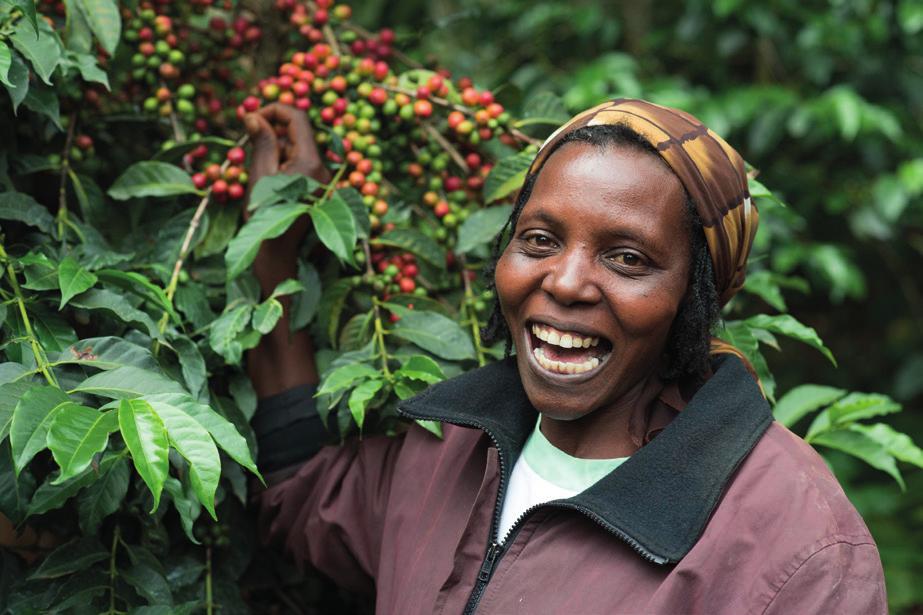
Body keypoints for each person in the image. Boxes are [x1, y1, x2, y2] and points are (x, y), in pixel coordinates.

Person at [243, 99, 887, 614]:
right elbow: (304, 495)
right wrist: (275, 244)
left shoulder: (800, 547)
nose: (566, 282)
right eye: (540, 239)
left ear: (701, 294)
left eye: (626, 258)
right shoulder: (449, 447)